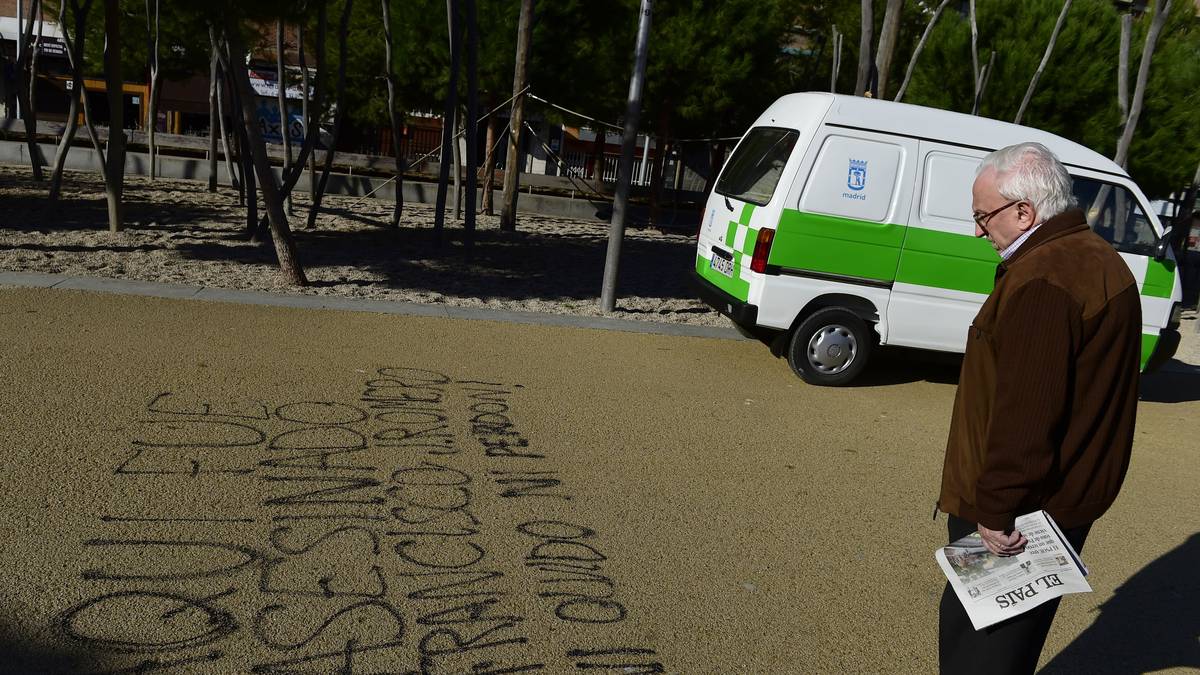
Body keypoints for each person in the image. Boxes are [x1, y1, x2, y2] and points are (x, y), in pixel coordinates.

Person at [937, 142, 1142, 674]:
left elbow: (1028, 413)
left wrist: (997, 509)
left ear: (1024, 212)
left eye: (983, 217)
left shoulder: (1046, 279)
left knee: (981, 647)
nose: (978, 231)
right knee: (1006, 642)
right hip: (1058, 499)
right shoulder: (1097, 258)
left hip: (1023, 511)